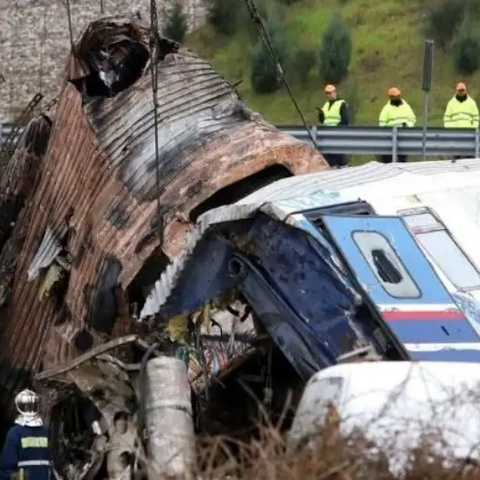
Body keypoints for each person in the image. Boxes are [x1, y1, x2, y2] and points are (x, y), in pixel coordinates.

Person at [0, 389, 51, 480]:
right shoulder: (46, 431)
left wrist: (10, 476)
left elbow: (6, 466)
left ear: (18, 407)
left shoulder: (15, 433)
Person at [378, 87, 416, 163]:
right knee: (387, 161)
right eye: (395, 96)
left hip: (404, 137)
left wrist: (408, 126)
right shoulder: (386, 109)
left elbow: (412, 119)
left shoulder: (406, 107)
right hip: (390, 138)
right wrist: (387, 131)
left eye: (398, 95)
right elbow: (382, 124)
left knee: (402, 160)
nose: (397, 97)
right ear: (390, 97)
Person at [317, 84, 350, 168]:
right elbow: (323, 121)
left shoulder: (342, 104)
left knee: (340, 159)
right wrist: (321, 115)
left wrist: (336, 130)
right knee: (329, 161)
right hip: (327, 137)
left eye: (329, 93)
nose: (328, 95)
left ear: (335, 92)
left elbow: (345, 120)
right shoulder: (326, 105)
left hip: (337, 136)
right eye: (326, 93)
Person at [444, 82, 479, 159]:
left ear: (465, 90)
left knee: (470, 156)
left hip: (469, 134)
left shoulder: (472, 103)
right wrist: (450, 129)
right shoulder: (451, 103)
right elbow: (447, 118)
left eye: (463, 90)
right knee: (457, 157)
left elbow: (476, 117)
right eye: (460, 90)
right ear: (456, 91)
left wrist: (473, 128)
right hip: (455, 134)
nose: (461, 92)